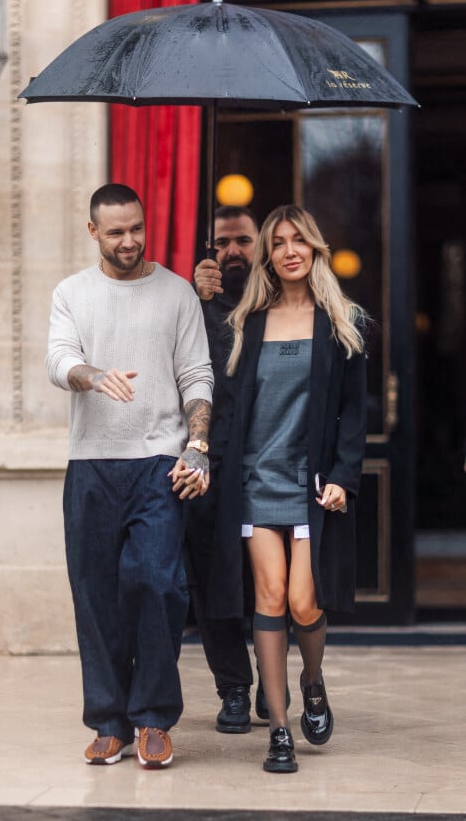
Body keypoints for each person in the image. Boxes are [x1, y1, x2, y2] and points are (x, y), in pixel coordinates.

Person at [46, 183, 213, 769]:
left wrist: (198, 446)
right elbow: (59, 359)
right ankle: (109, 723)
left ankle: (153, 718)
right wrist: (94, 376)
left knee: (157, 584)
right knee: (95, 596)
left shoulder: (176, 293)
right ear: (93, 231)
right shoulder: (72, 293)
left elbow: (197, 375)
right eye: (115, 231)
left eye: (136, 227)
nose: (129, 240)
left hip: (159, 464)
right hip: (91, 462)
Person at [212, 204, 367, 773]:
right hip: (255, 480)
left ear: (316, 249)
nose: (289, 251)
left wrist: (345, 480)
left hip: (310, 486)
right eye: (278, 243)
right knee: (270, 598)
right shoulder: (248, 322)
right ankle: (279, 730)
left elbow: (353, 415)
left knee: (305, 602)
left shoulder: (339, 321)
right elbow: (228, 407)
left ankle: (313, 680)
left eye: (299, 241)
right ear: (268, 256)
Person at [185, 206, 267, 734]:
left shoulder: (281, 303)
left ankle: (275, 684)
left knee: (271, 584)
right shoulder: (195, 307)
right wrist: (196, 299)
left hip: (267, 465)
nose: (232, 250)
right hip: (210, 466)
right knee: (216, 584)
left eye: (242, 240)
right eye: (222, 242)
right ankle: (233, 688)